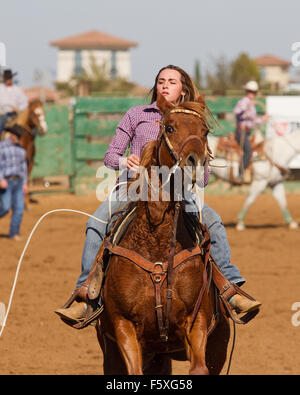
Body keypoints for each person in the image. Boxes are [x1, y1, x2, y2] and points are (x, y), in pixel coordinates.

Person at [55, 65, 261, 324]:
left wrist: (200, 162)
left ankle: (230, 289)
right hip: (133, 188)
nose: (165, 85)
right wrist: (124, 161)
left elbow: (204, 180)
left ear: (182, 89)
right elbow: (110, 156)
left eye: (172, 82)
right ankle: (85, 296)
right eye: (161, 81)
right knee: (95, 223)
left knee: (215, 223)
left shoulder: (191, 121)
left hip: (178, 192)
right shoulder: (136, 114)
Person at [234, 81, 268, 183]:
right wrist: (247, 106)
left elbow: (252, 121)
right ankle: (240, 174)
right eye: (251, 92)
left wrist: (262, 119)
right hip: (241, 132)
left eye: (254, 92)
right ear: (247, 92)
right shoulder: (244, 102)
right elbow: (236, 112)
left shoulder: (251, 105)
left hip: (248, 132)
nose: (252, 94)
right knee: (248, 150)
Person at [0, 124, 28, 240]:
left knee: (19, 208)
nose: (18, 137)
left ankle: (14, 233)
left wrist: (25, 183)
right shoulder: (1, 147)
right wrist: (1, 178)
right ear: (12, 135)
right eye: (17, 135)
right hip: (6, 181)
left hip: (19, 181)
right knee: (6, 207)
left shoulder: (21, 149)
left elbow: (23, 167)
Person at [0, 69, 28, 135]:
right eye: (6, 78)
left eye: (9, 78)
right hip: (1, 113)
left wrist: (19, 108)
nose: (8, 80)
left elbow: (25, 102)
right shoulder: (0, 88)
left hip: (13, 114)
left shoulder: (17, 89)